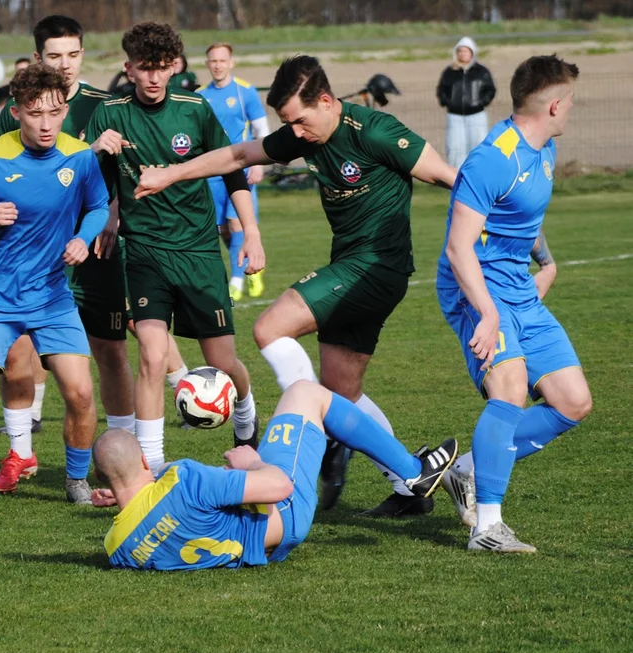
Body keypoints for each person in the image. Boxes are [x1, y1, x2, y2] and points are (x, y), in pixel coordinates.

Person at [135, 55, 457, 518]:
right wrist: (169, 173)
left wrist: (508, 232)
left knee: (269, 328)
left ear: (326, 101)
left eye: (301, 122)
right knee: (341, 395)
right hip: (353, 266)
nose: (297, 134)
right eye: (289, 125)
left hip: (375, 267)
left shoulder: (377, 131)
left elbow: (451, 179)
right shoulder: (307, 130)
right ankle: (410, 485)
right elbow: (239, 154)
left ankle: (318, 433)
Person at [86, 22, 265, 472]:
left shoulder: (195, 109)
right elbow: (86, 181)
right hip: (144, 251)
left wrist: (252, 233)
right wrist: (94, 154)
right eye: (144, 69)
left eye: (161, 68)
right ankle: (151, 465)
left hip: (200, 251)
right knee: (150, 352)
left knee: (221, 362)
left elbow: (233, 169)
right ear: (128, 68)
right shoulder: (110, 113)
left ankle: (243, 404)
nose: (152, 78)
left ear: (175, 67)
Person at [436, 55, 590, 553]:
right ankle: (488, 528)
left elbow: (523, 214)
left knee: (572, 401)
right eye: (570, 102)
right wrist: (488, 312)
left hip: (518, 285)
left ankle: (469, 469)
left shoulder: (541, 150)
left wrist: (546, 261)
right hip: (475, 286)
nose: (572, 111)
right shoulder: (492, 157)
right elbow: (459, 248)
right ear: (553, 105)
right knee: (510, 387)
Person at [0, 64, 110, 504]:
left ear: (65, 110)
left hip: (52, 298)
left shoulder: (80, 156)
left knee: (81, 391)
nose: (47, 123)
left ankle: (76, 481)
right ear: (16, 112)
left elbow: (98, 206)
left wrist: (82, 238)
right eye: (36, 113)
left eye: (55, 112)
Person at [0, 15, 140, 493]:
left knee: (110, 349)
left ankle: (125, 455)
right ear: (38, 59)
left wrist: (113, 213)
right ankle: (22, 456)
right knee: (19, 350)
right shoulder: (14, 109)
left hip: (95, 247)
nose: (66, 64)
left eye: (73, 54)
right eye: (55, 56)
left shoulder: (104, 103)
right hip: (32, 256)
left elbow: (118, 173)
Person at [94, 380, 458, 570]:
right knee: (305, 393)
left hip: (258, 548)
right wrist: (251, 462)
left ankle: (348, 454)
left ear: (106, 480)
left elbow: (162, 518)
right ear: (144, 460)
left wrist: (135, 493)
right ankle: (414, 474)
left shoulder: (116, 546)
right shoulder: (185, 480)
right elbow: (278, 486)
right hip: (285, 510)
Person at [200, 42, 270, 301]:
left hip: (241, 168)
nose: (218, 65)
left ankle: (237, 281)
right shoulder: (201, 95)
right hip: (213, 174)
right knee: (225, 231)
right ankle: (250, 261)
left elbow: (262, 130)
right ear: (207, 64)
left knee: (236, 221)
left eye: (222, 60)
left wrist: (258, 164)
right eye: (213, 61)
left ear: (231, 63)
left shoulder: (245, 92)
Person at [437, 37, 496, 169]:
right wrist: (448, 103)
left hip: (476, 116)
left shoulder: (481, 72)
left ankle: (479, 176)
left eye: (466, 51)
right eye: (460, 51)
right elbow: (441, 90)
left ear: (472, 52)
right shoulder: (449, 72)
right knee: (455, 148)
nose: (463, 54)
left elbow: (490, 90)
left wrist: (480, 103)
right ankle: (456, 179)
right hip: (455, 116)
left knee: (478, 146)